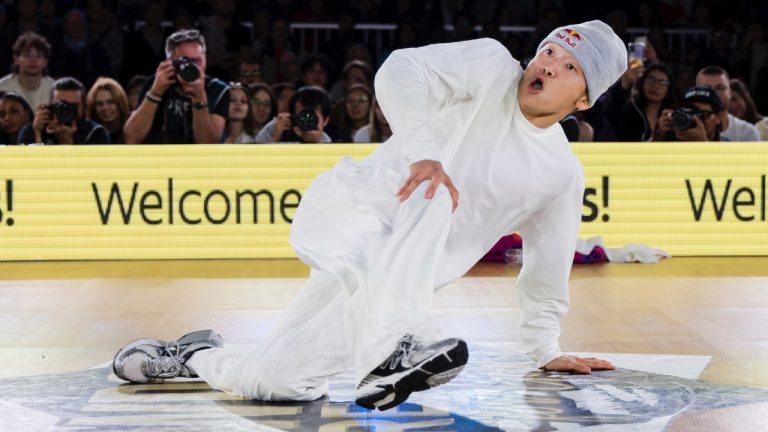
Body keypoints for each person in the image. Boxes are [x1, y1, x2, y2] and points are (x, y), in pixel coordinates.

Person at [113, 21, 627, 411]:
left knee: (277, 383)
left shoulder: (560, 173)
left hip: (386, 287)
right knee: (436, 189)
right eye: (549, 50)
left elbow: (546, 267)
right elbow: (400, 68)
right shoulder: (491, 66)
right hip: (357, 215)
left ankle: (191, 356)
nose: (548, 65)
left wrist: (545, 348)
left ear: (583, 99)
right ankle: (389, 354)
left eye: (568, 67)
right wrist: (424, 151)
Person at [123, 29, 230, 144]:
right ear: (169, 62)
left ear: (205, 58)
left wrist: (199, 97)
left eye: (197, 61)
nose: (193, 67)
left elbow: (208, 146)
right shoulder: (153, 84)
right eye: (185, 61)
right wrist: (155, 93)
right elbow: (132, 138)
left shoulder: (218, 90)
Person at [18, 77, 110, 145]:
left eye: (74, 106)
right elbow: (27, 168)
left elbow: (88, 170)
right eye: (62, 105)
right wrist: (37, 133)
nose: (67, 109)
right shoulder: (32, 129)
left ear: (83, 107)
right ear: (51, 105)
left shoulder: (96, 133)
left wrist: (66, 141)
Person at [605, 63, 676, 141]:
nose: (655, 86)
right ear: (642, 83)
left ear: (668, 91)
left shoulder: (672, 118)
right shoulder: (630, 111)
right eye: (651, 79)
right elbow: (611, 114)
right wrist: (624, 85)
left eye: (662, 82)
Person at [695, 66, 760, 141]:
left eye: (720, 88)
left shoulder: (747, 132)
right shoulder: (683, 129)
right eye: (706, 88)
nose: (714, 93)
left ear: (730, 92)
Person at [255, 86, 332, 143]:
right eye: (303, 114)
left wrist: (318, 144)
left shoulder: (325, 140)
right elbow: (255, 159)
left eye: (312, 116)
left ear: (325, 121)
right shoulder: (275, 127)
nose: (306, 119)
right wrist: (275, 137)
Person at [0, 32, 55, 111]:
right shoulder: (3, 88)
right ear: (16, 59)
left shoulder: (53, 88)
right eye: (27, 55)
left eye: (39, 56)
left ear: (45, 62)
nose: (33, 60)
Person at [653, 86, 727, 142]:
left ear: (719, 117)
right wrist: (660, 136)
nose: (696, 119)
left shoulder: (728, 147)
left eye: (703, 114)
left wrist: (703, 144)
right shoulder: (671, 140)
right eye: (690, 112)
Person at [86, 77, 130, 144]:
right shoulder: (89, 133)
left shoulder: (133, 127)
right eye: (99, 104)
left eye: (111, 102)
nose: (105, 108)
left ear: (120, 103)